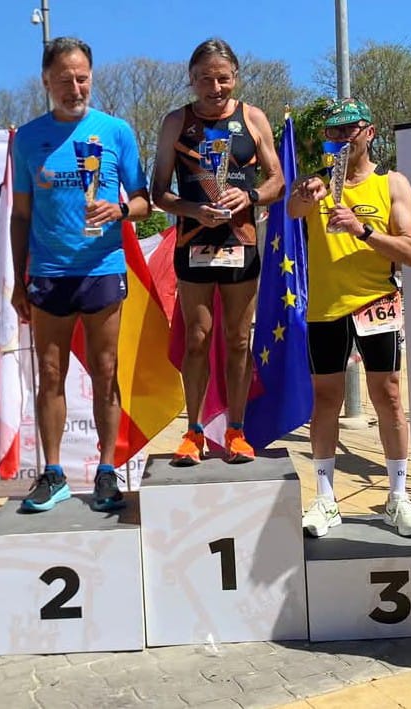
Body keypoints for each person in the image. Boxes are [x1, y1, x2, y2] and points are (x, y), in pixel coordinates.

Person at [11, 37, 150, 512]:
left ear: (92, 77)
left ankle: (107, 470)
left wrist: (121, 210)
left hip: (102, 267)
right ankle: (53, 473)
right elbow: (20, 216)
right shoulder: (28, 138)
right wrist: (18, 279)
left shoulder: (115, 131)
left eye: (82, 78)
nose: (75, 88)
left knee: (105, 370)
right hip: (49, 271)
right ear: (46, 82)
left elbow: (144, 200)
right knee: (51, 373)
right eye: (64, 79)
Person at [286, 98, 411, 538]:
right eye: (334, 131)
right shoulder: (316, 183)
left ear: (369, 132)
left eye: (350, 129)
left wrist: (362, 230)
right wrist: (303, 194)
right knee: (325, 399)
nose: (342, 137)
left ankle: (398, 496)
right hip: (327, 305)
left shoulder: (391, 183)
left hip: (376, 300)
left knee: (388, 396)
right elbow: (292, 212)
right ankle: (325, 498)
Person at [152, 38, 285, 466]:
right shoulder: (176, 122)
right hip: (194, 243)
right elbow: (158, 192)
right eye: (205, 79)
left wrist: (250, 197)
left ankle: (236, 431)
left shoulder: (253, 118)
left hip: (239, 244)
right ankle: (193, 432)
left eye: (223, 78)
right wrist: (194, 210)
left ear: (236, 77)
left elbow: (278, 181)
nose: (215, 87)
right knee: (196, 338)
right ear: (191, 80)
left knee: (238, 340)